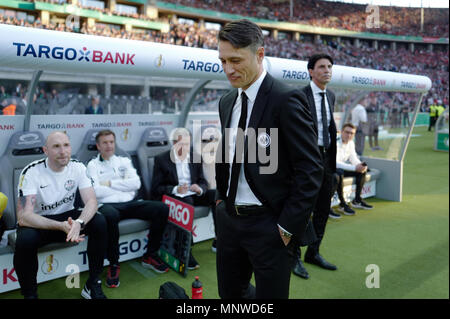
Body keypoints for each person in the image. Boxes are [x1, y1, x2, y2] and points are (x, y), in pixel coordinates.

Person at [215, 19, 322, 299]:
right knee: (230, 296)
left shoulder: (286, 99)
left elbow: (310, 169)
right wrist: (220, 201)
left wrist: (286, 227)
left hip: (270, 227)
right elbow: (226, 156)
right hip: (229, 223)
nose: (228, 69)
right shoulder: (227, 101)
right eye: (223, 60)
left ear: (260, 55)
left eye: (235, 60)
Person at [14, 131, 108, 299]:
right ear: (45, 150)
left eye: (66, 145)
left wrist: (79, 222)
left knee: (99, 221)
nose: (63, 151)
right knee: (25, 239)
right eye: (56, 146)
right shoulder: (31, 172)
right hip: (40, 222)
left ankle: (92, 284)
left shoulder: (78, 167)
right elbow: (23, 216)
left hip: (69, 218)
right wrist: (60, 226)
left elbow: (91, 201)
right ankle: (30, 295)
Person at [86, 129, 170, 288]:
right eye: (105, 142)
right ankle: (114, 263)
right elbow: (96, 191)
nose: (109, 146)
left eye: (111, 142)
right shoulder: (92, 165)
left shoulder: (124, 160)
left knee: (162, 209)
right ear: (98, 146)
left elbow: (136, 184)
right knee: (109, 216)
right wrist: (123, 186)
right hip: (108, 206)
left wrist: (110, 183)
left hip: (131, 202)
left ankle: (150, 255)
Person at [292, 53, 338, 280]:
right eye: (322, 67)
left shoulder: (330, 95)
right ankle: (294, 257)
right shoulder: (299, 95)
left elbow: (329, 129)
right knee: (302, 211)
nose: (327, 70)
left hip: (326, 159)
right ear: (311, 71)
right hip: (306, 161)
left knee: (322, 210)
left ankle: (314, 252)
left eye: (329, 66)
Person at [151, 128, 216, 270]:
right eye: (181, 144)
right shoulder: (162, 159)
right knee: (187, 203)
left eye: (187, 144)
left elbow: (202, 181)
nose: (185, 147)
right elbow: (156, 188)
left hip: (192, 194)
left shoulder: (195, 158)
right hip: (174, 197)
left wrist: (199, 188)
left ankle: (220, 239)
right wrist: (175, 189)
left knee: (215, 195)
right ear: (174, 143)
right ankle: (186, 250)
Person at [334, 123, 374, 211]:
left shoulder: (351, 143)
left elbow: (353, 158)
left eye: (352, 133)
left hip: (341, 168)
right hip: (332, 168)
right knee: (339, 172)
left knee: (362, 171)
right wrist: (354, 168)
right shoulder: (335, 142)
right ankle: (342, 203)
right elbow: (335, 163)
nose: (349, 135)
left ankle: (357, 200)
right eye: (347, 132)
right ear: (341, 132)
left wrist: (360, 165)